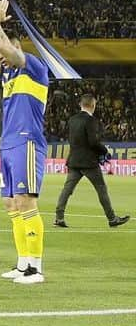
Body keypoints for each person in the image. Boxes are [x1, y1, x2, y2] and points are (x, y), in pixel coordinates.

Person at [0, 0, 48, 285]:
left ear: (17, 47)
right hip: (9, 144)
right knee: (11, 203)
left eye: (3, 50)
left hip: (27, 142)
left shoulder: (34, 67)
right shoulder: (8, 73)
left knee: (26, 202)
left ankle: (36, 269)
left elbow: (3, 48)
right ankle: (22, 263)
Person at [53, 93, 130, 229]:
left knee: (67, 189)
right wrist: (105, 151)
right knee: (101, 190)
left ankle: (59, 217)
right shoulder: (91, 121)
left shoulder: (72, 120)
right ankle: (112, 219)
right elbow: (93, 142)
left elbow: (72, 140)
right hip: (89, 162)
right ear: (93, 105)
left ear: (81, 105)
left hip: (74, 160)